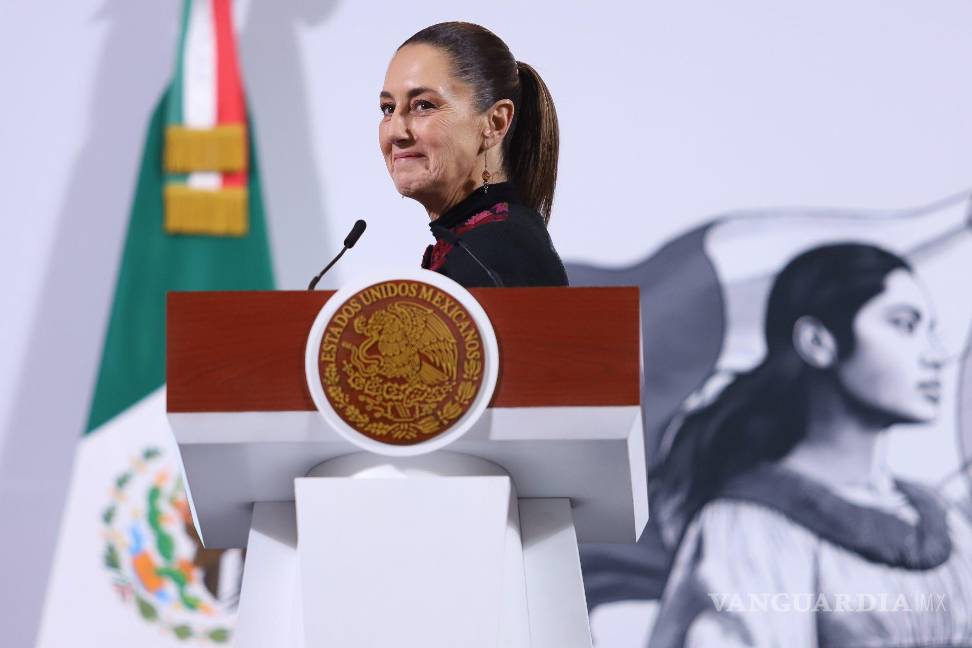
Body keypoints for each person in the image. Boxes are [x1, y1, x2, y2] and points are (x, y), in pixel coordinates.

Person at [647, 243, 972, 647]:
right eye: (904, 325)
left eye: (931, 331)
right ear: (818, 342)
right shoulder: (751, 527)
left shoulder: (948, 521)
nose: (936, 355)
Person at [378, 22, 568, 288]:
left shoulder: (498, 251)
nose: (395, 132)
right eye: (388, 108)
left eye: (423, 105)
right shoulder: (472, 243)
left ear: (495, 122)